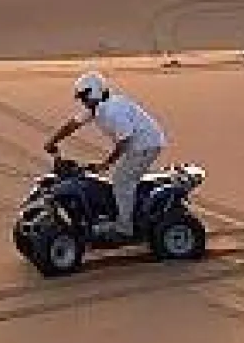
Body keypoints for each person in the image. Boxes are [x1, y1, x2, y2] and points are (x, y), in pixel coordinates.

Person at [43, 71, 166, 237]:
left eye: (84, 96)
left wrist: (107, 164)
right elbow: (72, 125)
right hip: (136, 145)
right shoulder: (96, 108)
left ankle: (125, 227)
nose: (83, 101)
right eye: (81, 97)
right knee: (117, 179)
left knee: (121, 182)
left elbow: (125, 140)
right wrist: (53, 141)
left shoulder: (113, 110)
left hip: (146, 144)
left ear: (94, 91)